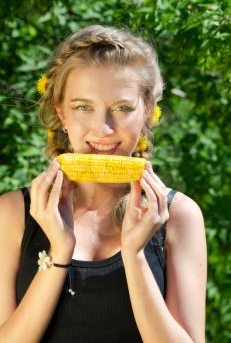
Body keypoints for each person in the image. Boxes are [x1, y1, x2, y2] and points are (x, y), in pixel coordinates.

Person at [0, 24, 207, 343]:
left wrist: (135, 255)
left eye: (122, 108)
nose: (104, 128)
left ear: (148, 112)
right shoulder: (13, 213)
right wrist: (60, 251)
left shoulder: (178, 216)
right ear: (62, 115)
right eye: (83, 107)